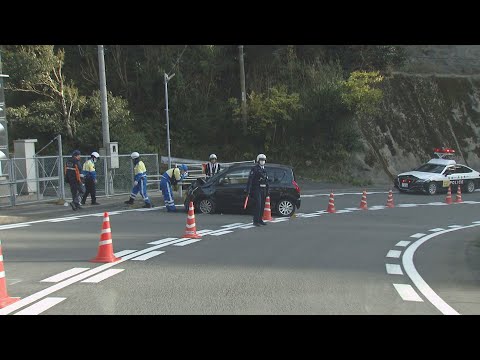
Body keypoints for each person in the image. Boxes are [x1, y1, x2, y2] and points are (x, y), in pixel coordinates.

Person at [245, 153, 269, 226]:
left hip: (263, 188)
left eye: (264, 160)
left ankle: (260, 219)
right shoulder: (255, 169)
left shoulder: (264, 169)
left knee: (262, 205)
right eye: (261, 160)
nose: (262, 161)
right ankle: (255, 221)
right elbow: (250, 179)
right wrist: (248, 190)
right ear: (258, 160)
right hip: (256, 188)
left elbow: (267, 181)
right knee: (258, 205)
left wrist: (267, 191)